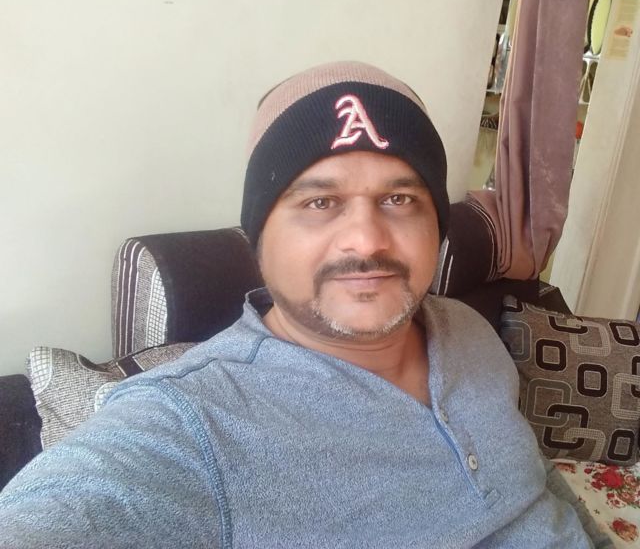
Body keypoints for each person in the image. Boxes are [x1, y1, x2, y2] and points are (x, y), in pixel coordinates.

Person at [0, 61, 612, 548]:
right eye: (320, 203)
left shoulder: (469, 329)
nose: (367, 240)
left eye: (399, 199)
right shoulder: (190, 425)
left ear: (437, 228)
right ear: (258, 237)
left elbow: (535, 488)